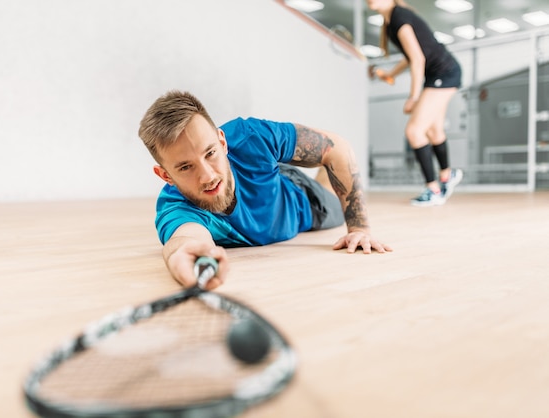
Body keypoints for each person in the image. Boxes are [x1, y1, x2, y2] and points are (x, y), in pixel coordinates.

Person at [138, 90, 392, 289]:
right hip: (268, 175)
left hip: (303, 197)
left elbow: (339, 147)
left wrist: (360, 228)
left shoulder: (251, 136)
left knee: (333, 189)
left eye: (210, 153)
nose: (208, 176)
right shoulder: (176, 207)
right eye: (185, 167)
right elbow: (184, 239)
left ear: (222, 141)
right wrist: (182, 256)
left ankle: (307, 171)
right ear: (165, 176)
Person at [368, 0, 463, 206]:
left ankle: (434, 189)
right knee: (433, 130)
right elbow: (410, 56)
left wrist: (413, 97)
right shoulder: (391, 22)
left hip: (443, 73)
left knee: (414, 131)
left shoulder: (399, 17)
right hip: (440, 74)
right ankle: (447, 175)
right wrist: (391, 74)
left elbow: (418, 59)